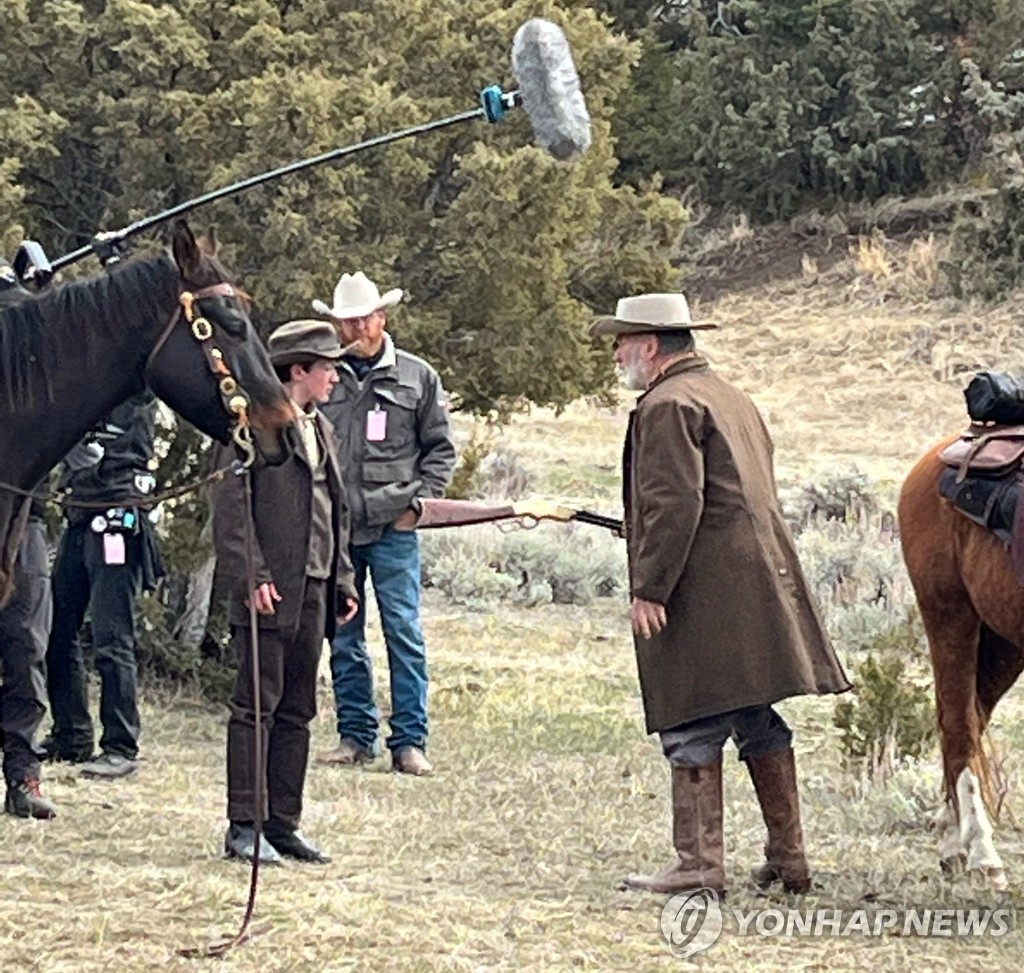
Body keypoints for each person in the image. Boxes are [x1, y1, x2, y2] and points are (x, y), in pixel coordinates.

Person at [589, 292, 851, 896]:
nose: (616, 353)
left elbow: (676, 504)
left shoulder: (667, 404)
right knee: (753, 711)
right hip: (754, 581)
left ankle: (699, 866)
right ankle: (790, 860)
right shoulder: (727, 395)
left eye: (622, 342)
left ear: (650, 346)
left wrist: (650, 587)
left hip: (704, 587)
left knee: (691, 715)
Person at [212, 319, 359, 865]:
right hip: (268, 592)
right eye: (328, 368)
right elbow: (229, 511)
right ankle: (243, 825)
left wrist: (341, 577)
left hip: (315, 587)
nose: (336, 378)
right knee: (256, 706)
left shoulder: (323, 429)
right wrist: (251, 575)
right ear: (299, 370)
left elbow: (335, 511)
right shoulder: (248, 426)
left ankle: (281, 824)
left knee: (297, 708)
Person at [313, 272, 455, 776]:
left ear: (381, 319)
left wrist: (419, 505)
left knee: (403, 632)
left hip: (394, 529)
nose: (351, 328)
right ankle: (355, 736)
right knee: (344, 636)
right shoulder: (323, 375)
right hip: (339, 531)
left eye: (359, 318)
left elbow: (440, 450)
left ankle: (409, 742)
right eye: (344, 320)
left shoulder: (418, 377)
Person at [44, 391, 163, 779]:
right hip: (81, 510)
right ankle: (72, 734)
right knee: (57, 630)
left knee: (113, 636)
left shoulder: (135, 388)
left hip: (117, 513)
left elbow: (132, 448)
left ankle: (120, 745)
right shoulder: (86, 377)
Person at [0, 259, 55, 818]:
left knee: (25, 645)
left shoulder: (19, 303)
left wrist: (36, 296)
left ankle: (24, 774)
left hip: (27, 511)